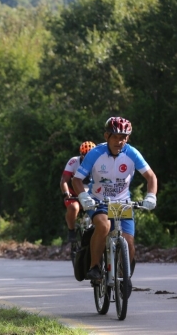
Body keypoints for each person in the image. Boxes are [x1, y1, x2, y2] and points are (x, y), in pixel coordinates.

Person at [73, 117, 158, 283]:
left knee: (129, 242)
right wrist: (84, 197)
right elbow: (76, 180)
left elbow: (151, 177)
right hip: (98, 201)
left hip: (122, 202)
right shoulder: (95, 153)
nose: (120, 141)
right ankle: (95, 267)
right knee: (104, 226)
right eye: (116, 137)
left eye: (123, 137)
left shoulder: (132, 153)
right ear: (106, 136)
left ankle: (123, 275)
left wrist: (151, 196)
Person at [60, 141, 96, 242]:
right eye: (85, 156)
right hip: (75, 193)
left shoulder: (99, 162)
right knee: (74, 208)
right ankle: (71, 231)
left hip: (92, 193)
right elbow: (64, 180)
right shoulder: (74, 161)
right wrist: (66, 193)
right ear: (81, 155)